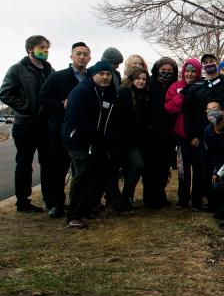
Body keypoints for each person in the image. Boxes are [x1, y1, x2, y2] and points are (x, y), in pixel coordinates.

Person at [0, 35, 54, 212]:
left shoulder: (49, 70)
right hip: (25, 125)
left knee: (48, 163)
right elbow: (5, 93)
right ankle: (22, 201)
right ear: (31, 49)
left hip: (45, 125)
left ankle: (50, 198)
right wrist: (26, 108)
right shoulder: (17, 69)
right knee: (24, 163)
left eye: (47, 48)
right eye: (42, 47)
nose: (45, 51)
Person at [62, 60, 117, 229]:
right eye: (101, 74)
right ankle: (74, 215)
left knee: (99, 172)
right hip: (77, 139)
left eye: (108, 74)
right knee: (82, 172)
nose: (105, 77)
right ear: (93, 75)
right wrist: (97, 135)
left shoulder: (109, 93)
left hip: (97, 141)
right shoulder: (81, 91)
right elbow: (77, 119)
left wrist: (107, 136)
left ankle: (89, 207)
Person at [39, 41, 91, 218]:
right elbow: (43, 98)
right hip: (60, 130)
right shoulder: (58, 77)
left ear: (89, 58)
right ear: (71, 56)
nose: (82, 57)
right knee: (58, 169)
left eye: (85, 54)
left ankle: (81, 204)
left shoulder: (92, 77)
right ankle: (56, 204)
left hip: (83, 131)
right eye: (78, 53)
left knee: (82, 171)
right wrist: (61, 104)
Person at [182, 54, 224, 211]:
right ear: (202, 66)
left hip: (221, 132)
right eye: (205, 62)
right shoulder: (197, 86)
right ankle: (197, 201)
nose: (209, 64)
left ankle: (217, 201)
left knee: (219, 168)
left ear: (216, 63)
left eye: (211, 62)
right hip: (200, 134)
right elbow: (188, 112)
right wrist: (192, 135)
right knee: (200, 168)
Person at [114, 67, 156, 210]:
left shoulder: (145, 94)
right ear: (132, 79)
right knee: (137, 166)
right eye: (138, 78)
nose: (141, 81)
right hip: (125, 140)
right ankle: (122, 199)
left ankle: (125, 200)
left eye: (144, 79)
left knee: (135, 168)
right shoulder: (124, 92)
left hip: (141, 140)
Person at [164, 58, 202, 208]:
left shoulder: (202, 86)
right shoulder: (176, 87)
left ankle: (197, 199)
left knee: (199, 168)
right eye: (187, 71)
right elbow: (169, 108)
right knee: (183, 169)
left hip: (198, 136)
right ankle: (183, 199)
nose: (190, 74)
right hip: (181, 135)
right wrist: (181, 96)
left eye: (193, 71)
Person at [146, 57, 179, 209]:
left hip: (168, 132)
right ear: (157, 70)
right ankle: (150, 198)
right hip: (151, 132)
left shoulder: (174, 86)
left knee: (164, 167)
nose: (166, 73)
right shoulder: (149, 84)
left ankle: (160, 195)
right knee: (151, 167)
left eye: (169, 71)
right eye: (163, 70)